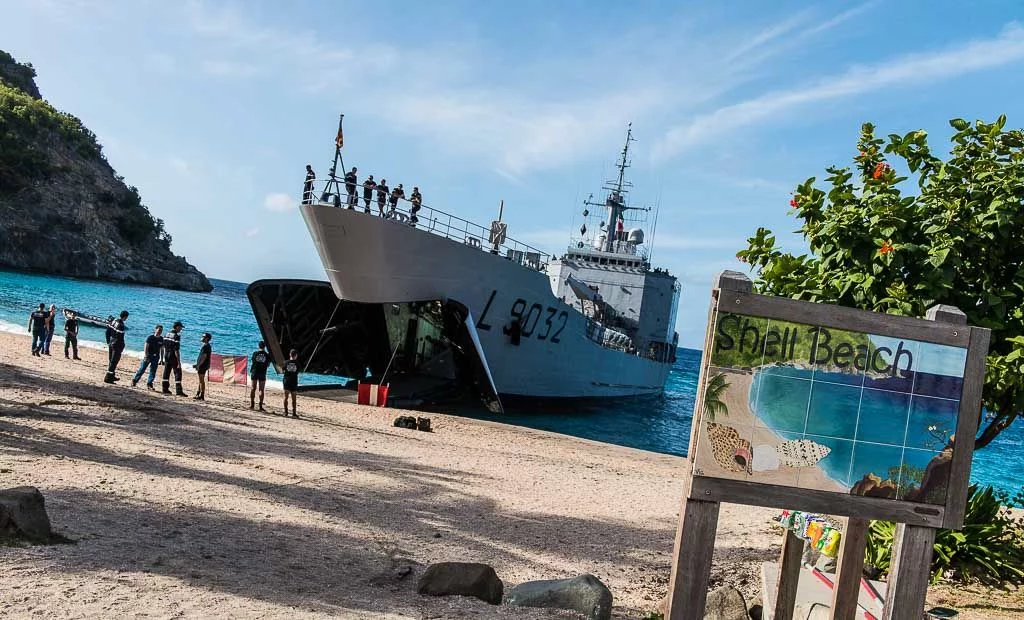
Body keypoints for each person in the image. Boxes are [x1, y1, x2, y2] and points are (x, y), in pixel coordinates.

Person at [131, 324, 164, 389]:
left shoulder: (161, 339)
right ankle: (134, 380)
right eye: (159, 330)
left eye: (161, 330)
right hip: (149, 355)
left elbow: (162, 349)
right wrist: (146, 355)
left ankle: (149, 384)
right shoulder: (150, 337)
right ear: (155, 329)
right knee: (142, 369)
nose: (160, 331)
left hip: (156, 357)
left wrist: (162, 359)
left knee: (153, 371)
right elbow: (146, 346)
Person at [161, 321, 187, 396]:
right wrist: (179, 362)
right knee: (178, 372)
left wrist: (162, 358)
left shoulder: (166, 334)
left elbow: (162, 347)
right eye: (180, 327)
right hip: (173, 356)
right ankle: (178, 391)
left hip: (166, 355)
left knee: (166, 371)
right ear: (177, 327)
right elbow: (176, 350)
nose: (181, 329)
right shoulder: (176, 336)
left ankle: (164, 388)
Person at [103, 310, 129, 384]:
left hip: (111, 342)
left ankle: (111, 376)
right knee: (114, 361)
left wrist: (108, 341)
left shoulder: (114, 321)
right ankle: (108, 378)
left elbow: (107, 332)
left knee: (111, 360)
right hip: (117, 344)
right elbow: (120, 338)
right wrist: (122, 346)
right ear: (125, 317)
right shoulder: (121, 325)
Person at [249, 340, 271, 411]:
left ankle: (252, 404)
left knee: (253, 388)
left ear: (258, 346)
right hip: (262, 372)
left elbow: (253, 361)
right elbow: (268, 365)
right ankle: (260, 406)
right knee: (261, 390)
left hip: (255, 372)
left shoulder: (255, 353)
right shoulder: (267, 355)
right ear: (264, 347)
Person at [194, 333, 212, 401]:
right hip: (204, 365)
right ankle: (198, 393)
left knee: (201, 380)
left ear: (206, 338)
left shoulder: (206, 346)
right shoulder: (207, 346)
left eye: (203, 337)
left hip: (203, 365)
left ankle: (202, 395)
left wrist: (198, 365)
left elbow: (204, 357)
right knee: (201, 380)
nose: (202, 338)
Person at [282, 349, 300, 418]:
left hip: (286, 381)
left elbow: (283, 370)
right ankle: (294, 413)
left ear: (290, 355)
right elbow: (298, 371)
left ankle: (285, 412)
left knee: (286, 397)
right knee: (294, 399)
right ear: (296, 356)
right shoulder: (297, 363)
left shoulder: (286, 362)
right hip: (294, 382)